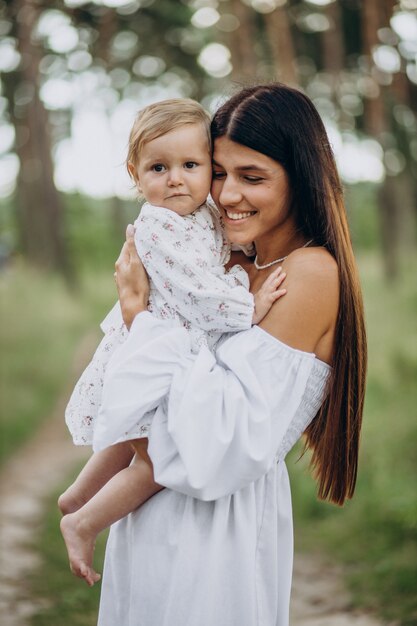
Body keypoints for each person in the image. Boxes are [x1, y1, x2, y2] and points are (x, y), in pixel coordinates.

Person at [92, 83, 367, 626]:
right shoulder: (232, 269)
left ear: (301, 176)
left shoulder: (309, 275)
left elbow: (219, 438)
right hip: (153, 510)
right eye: (218, 173)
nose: (227, 194)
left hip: (215, 527)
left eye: (253, 177)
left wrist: (136, 317)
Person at [58, 99, 286, 587]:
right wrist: (252, 306)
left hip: (168, 349)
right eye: (158, 168)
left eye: (190, 165)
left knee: (131, 438)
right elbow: (196, 293)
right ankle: (82, 521)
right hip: (152, 352)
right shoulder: (157, 225)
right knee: (158, 458)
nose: (175, 179)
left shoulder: (202, 213)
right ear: (135, 175)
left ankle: (77, 495)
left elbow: (224, 248)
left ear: (210, 169)